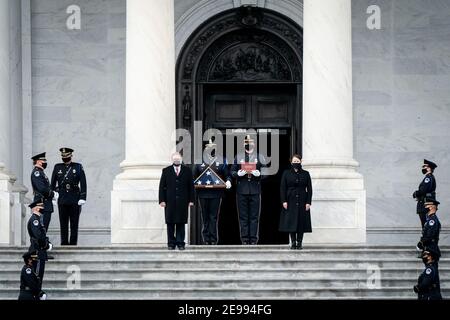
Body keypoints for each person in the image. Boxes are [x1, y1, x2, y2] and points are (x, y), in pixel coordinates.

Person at [194, 139, 232, 245]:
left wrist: (228, 181)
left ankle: (213, 239)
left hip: (216, 193)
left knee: (213, 217)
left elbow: (227, 174)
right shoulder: (199, 161)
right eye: (208, 148)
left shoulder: (221, 160)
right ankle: (206, 239)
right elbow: (194, 176)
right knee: (205, 216)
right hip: (202, 193)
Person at [231, 135, 266, 245]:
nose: (249, 144)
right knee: (243, 216)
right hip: (242, 190)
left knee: (254, 217)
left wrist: (260, 174)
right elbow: (232, 171)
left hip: (255, 190)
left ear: (254, 144)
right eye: (246, 142)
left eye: (251, 142)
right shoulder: (238, 156)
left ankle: (253, 239)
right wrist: (238, 174)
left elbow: (266, 172)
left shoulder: (260, 156)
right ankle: (245, 239)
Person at [51, 147, 87, 245]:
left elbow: (83, 183)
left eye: (66, 156)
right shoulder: (57, 167)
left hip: (75, 197)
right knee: (63, 223)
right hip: (62, 198)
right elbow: (53, 183)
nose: (64, 157)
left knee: (74, 223)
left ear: (71, 155)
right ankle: (64, 243)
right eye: (63, 156)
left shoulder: (78, 167)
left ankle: (73, 244)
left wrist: (83, 197)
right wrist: (53, 197)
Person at [159, 152, 195, 250]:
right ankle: (171, 243)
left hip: (183, 202)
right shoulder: (166, 171)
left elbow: (191, 187)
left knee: (181, 222)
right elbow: (162, 186)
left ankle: (180, 243)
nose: (176, 160)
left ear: (181, 159)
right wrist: (162, 200)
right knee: (170, 223)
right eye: (175, 159)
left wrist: (191, 200)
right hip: (169, 202)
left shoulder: (187, 171)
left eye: (178, 159)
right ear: (172, 160)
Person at [279, 154, 312, 250]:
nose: (296, 163)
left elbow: (309, 189)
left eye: (298, 161)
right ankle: (293, 242)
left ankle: (299, 242)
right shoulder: (286, 173)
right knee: (291, 222)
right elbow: (282, 188)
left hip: (302, 200)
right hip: (290, 200)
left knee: (301, 222)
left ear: (301, 162)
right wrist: (284, 201)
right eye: (294, 161)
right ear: (291, 162)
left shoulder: (306, 173)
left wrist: (308, 202)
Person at [31, 152, 58, 231]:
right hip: (42, 204)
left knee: (44, 227)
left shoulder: (41, 172)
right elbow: (42, 189)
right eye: (44, 161)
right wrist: (53, 194)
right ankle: (40, 243)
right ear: (39, 161)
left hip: (46, 203)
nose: (45, 163)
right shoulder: (37, 173)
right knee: (41, 227)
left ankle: (42, 242)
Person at [27, 200, 53, 281]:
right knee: (37, 276)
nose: (43, 209)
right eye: (42, 207)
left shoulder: (38, 220)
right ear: (37, 209)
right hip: (37, 252)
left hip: (39, 251)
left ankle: (38, 293)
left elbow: (41, 235)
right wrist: (46, 245)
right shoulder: (35, 220)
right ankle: (36, 293)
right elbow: (38, 236)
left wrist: (47, 242)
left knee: (39, 277)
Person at [413, 159, 437, 227]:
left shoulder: (428, 178)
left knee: (426, 224)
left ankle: (427, 237)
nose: (423, 168)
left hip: (425, 204)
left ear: (429, 168)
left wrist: (415, 193)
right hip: (424, 203)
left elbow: (423, 190)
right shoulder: (429, 177)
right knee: (425, 224)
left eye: (424, 166)